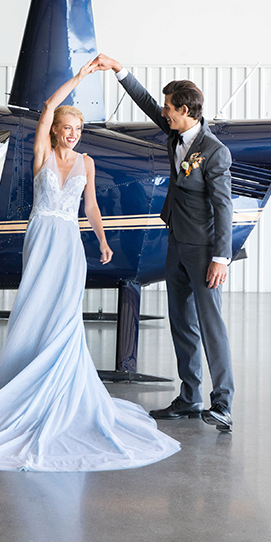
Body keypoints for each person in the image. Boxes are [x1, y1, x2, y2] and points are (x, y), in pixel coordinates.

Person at [0, 60, 180, 471]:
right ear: (56, 130)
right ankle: (25, 379)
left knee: (66, 313)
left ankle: (61, 383)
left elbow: (91, 208)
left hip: (69, 241)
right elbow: (49, 105)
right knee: (37, 307)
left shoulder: (86, 162)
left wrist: (103, 243)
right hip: (42, 236)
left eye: (78, 130)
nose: (73, 134)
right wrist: (83, 78)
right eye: (68, 128)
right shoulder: (43, 152)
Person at [94, 54, 234, 433]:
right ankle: (189, 397)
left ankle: (222, 404)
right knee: (182, 323)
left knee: (210, 325)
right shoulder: (176, 132)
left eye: (170, 108)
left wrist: (221, 258)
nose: (165, 113)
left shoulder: (215, 151)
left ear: (185, 110)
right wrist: (119, 70)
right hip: (175, 244)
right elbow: (147, 102)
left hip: (205, 250)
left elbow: (224, 208)